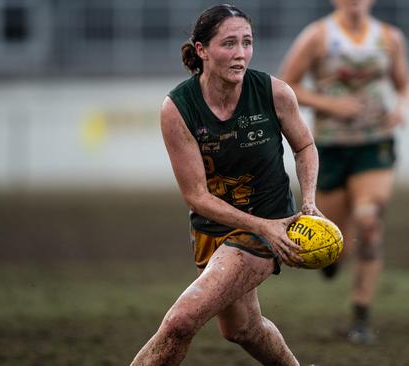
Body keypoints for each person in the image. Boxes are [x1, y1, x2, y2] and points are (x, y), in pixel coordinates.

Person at [130, 4, 322, 365]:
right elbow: (196, 196)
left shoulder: (274, 92)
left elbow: (306, 146)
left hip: (269, 226)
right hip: (213, 228)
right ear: (201, 50)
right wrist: (262, 226)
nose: (240, 54)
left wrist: (307, 203)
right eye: (229, 43)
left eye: (247, 42)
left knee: (180, 322)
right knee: (242, 329)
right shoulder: (178, 108)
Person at [280, 0, 409, 344]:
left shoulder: (390, 38)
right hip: (330, 149)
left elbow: (403, 84)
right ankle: (334, 260)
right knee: (333, 241)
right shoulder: (318, 36)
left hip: (374, 145)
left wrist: (401, 108)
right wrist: (331, 105)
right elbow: (286, 85)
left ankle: (361, 318)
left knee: (368, 223)